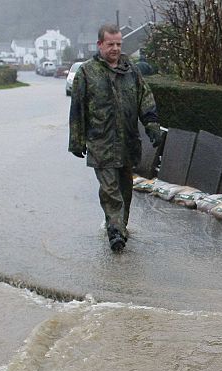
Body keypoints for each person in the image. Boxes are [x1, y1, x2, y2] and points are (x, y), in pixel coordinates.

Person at [69, 23, 163, 252]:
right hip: (101, 142)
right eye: (110, 44)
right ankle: (115, 231)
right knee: (110, 189)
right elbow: (77, 108)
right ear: (100, 44)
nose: (115, 48)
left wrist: (152, 125)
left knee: (125, 188)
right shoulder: (86, 72)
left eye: (118, 44)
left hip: (128, 141)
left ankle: (120, 225)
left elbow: (145, 98)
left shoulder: (131, 70)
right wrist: (77, 140)